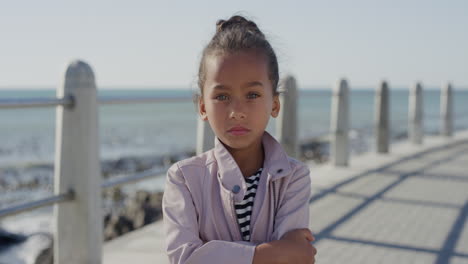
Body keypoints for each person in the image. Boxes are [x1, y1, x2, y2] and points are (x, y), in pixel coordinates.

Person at [162, 15, 317, 264]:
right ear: (202, 107)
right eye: (222, 97)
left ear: (275, 104)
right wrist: (269, 253)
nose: (237, 111)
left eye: (252, 94)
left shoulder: (294, 178)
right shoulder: (184, 179)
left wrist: (213, 253)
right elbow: (185, 258)